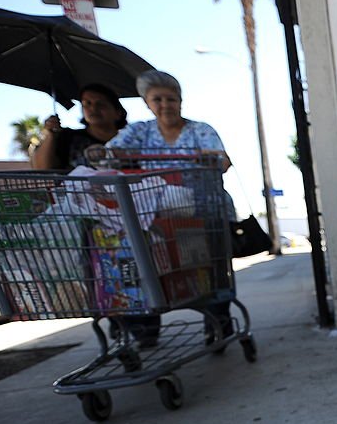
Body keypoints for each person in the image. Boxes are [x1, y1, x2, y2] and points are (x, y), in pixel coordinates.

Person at [106, 70, 236, 346]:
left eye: (170, 99)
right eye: (157, 99)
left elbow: (222, 161)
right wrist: (117, 157)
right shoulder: (139, 132)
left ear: (180, 101)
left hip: (202, 213)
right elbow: (108, 154)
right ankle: (144, 329)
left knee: (211, 271)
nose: (165, 105)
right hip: (155, 217)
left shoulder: (200, 130)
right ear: (147, 102)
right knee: (149, 269)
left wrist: (206, 158)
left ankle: (218, 322)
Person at [31, 83, 128, 170]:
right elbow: (42, 168)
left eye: (100, 104)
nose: (93, 108)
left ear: (118, 113)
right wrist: (50, 135)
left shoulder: (131, 140)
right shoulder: (68, 137)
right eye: (87, 104)